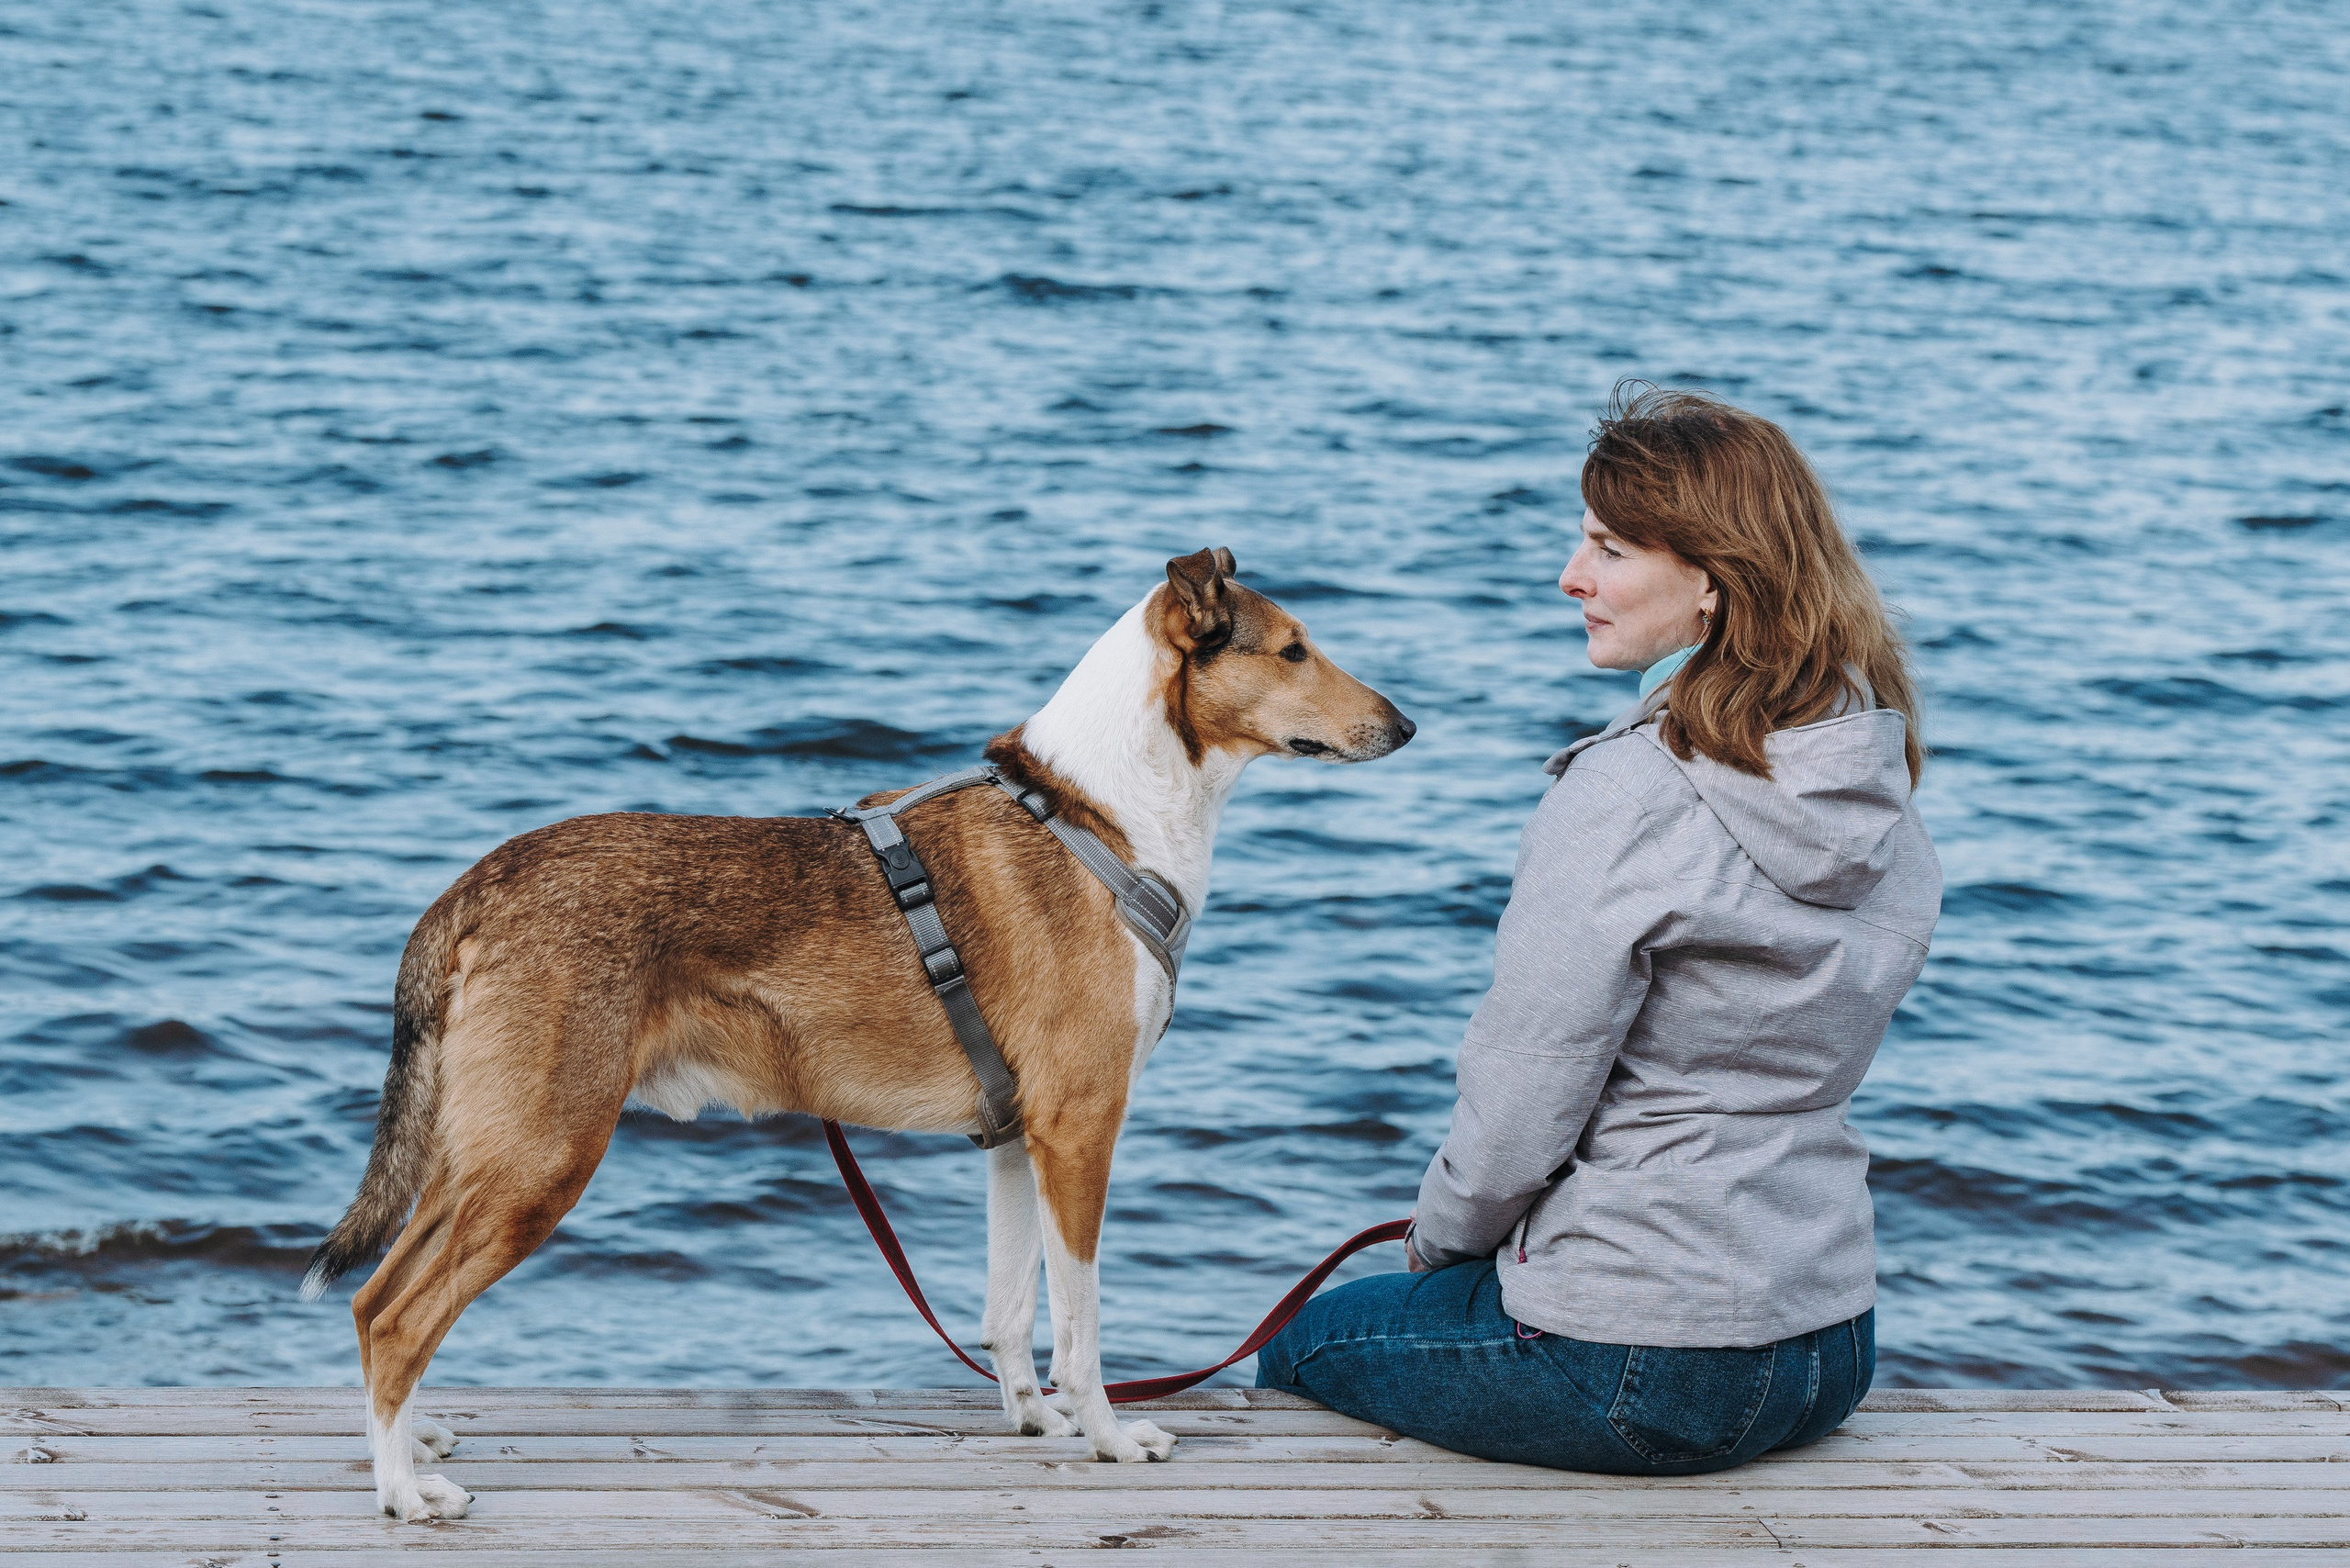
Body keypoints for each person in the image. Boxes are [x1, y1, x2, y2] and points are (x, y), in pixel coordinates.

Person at [1256, 383, 1942, 1474]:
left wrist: (1439, 1244)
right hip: (1825, 1344)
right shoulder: (1869, 767)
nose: (1571, 577)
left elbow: (1524, 1098)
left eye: (1610, 548)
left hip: (1643, 1361)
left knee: (1310, 1343)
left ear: (1714, 578)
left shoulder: (1628, 791)